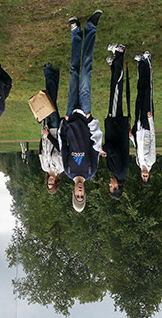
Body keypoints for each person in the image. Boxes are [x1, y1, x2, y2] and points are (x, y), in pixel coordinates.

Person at [58, 10, 103, 212]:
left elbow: (62, 143)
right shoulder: (91, 170)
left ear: (73, 193)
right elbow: (97, 142)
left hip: (70, 114)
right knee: (86, 72)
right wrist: (91, 119)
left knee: (74, 72)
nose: (79, 192)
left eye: (77, 195)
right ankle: (91, 27)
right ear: (85, 193)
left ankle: (76, 32)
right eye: (82, 195)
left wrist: (64, 122)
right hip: (84, 115)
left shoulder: (67, 170)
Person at [102, 43, 130, 201]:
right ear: (117, 187)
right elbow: (115, 151)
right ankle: (120, 53)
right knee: (116, 90)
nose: (109, 184)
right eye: (111, 187)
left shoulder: (118, 173)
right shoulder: (119, 172)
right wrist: (103, 149)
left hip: (115, 126)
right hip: (116, 125)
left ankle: (114, 63)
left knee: (114, 92)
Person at [131, 51, 156, 186]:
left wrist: (131, 137)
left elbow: (137, 146)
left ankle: (140, 63)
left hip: (138, 127)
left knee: (140, 94)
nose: (145, 174)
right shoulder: (151, 160)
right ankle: (147, 61)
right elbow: (153, 139)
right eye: (147, 176)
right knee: (147, 92)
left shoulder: (138, 163)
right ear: (149, 175)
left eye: (143, 176)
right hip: (147, 125)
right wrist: (150, 120)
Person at [40, 62, 63, 195]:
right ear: (56, 182)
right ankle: (48, 71)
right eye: (52, 184)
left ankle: (54, 74)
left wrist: (43, 135)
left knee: (51, 103)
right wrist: (49, 135)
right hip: (54, 131)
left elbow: (41, 149)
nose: (50, 181)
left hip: (45, 131)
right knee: (50, 104)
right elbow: (60, 148)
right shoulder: (61, 168)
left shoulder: (44, 167)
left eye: (48, 183)